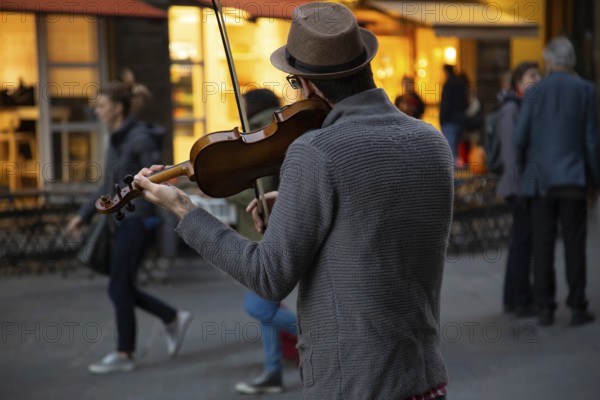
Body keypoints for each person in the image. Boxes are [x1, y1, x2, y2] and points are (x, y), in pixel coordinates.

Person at [134, 3, 453, 399]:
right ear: (366, 68)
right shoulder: (432, 143)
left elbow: (267, 278)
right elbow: (385, 222)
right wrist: (297, 201)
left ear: (307, 85)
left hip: (352, 383)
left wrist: (184, 209)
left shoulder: (316, 151)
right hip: (425, 377)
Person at [66, 80, 192, 373]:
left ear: (117, 108)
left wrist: (160, 224)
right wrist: (83, 215)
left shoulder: (140, 138)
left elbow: (157, 180)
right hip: (121, 222)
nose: (97, 111)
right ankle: (171, 317)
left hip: (138, 222)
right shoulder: (117, 139)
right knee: (120, 286)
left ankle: (125, 353)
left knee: (118, 286)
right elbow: (106, 186)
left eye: (101, 106)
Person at [514, 37, 600, 327]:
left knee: (543, 245)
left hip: (540, 182)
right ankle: (577, 307)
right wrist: (594, 180)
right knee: (575, 244)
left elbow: (520, 137)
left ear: (549, 61)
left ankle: (545, 308)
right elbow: (591, 140)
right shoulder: (587, 90)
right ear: (572, 60)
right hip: (573, 179)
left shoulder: (535, 92)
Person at [227, 88, 298, 394]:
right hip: (263, 234)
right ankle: (272, 372)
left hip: (262, 235)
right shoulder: (274, 131)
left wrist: (221, 188)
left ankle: (322, 333)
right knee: (266, 308)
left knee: (259, 307)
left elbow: (261, 193)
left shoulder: (259, 133)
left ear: (250, 106)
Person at [495, 61, 542, 317]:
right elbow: (512, 155)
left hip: (522, 185)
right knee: (523, 244)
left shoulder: (523, 106)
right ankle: (521, 299)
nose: (536, 79)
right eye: (531, 75)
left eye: (538, 75)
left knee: (520, 244)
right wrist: (522, 189)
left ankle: (514, 298)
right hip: (519, 187)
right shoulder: (513, 109)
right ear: (518, 81)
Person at [440, 64, 468, 164]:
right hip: (459, 121)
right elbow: (465, 102)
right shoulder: (460, 83)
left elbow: (446, 105)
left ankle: (455, 179)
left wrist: (442, 119)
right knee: (456, 153)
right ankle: (458, 177)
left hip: (450, 122)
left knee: (451, 154)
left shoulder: (449, 84)